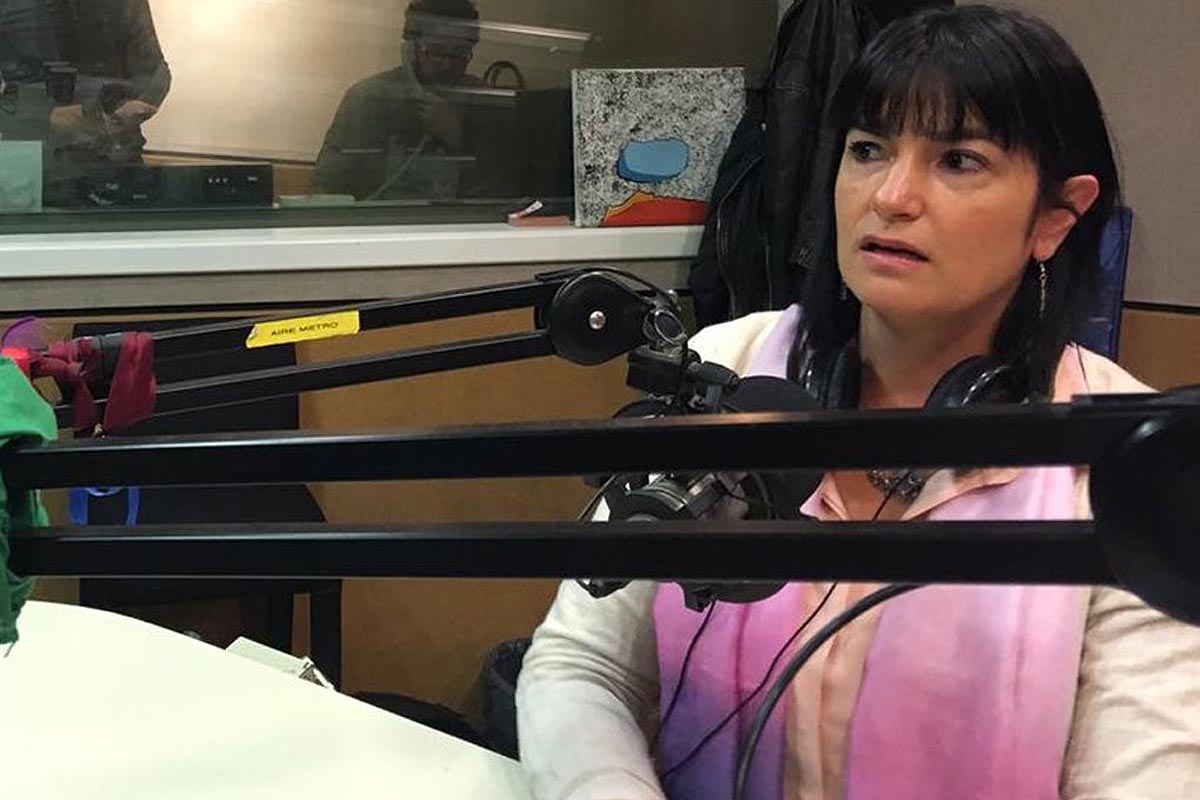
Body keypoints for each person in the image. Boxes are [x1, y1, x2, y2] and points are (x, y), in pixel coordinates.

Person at [516, 6, 1200, 800]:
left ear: (1056, 217)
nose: (892, 196)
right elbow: (582, 666)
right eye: (868, 149)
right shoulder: (724, 370)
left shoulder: (1128, 466)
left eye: (960, 160)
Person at [311, 0, 492, 201]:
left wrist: (458, 139)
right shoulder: (369, 99)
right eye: (436, 52)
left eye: (460, 54)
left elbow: (499, 188)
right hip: (377, 218)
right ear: (411, 49)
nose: (447, 65)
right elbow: (327, 187)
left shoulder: (483, 102)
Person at [0, 0, 171, 204]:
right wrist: (47, 117)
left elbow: (154, 73)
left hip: (113, 162)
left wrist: (120, 110)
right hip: (37, 166)